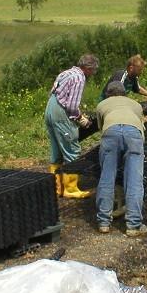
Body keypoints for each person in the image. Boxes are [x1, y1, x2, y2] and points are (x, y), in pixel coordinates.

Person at [95, 81, 147, 236]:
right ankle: (133, 225)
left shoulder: (102, 105)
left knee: (106, 177)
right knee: (134, 181)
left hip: (110, 132)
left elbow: (102, 128)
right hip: (134, 135)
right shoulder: (136, 105)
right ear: (125, 93)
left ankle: (104, 223)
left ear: (108, 93)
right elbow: (141, 126)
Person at [45, 53, 99, 198]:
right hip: (61, 114)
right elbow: (71, 105)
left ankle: (56, 187)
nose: (93, 74)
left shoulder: (66, 73)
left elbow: (55, 93)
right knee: (72, 151)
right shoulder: (79, 78)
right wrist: (81, 119)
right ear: (87, 68)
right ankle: (71, 189)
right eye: (93, 70)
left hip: (50, 110)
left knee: (56, 153)